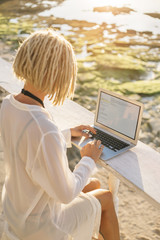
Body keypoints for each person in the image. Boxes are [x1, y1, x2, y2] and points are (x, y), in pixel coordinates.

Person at [0, 29, 120, 240]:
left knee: (94, 185)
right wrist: (88, 159)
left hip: (15, 210)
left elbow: (28, 142)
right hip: (37, 226)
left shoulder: (9, 104)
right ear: (57, 73)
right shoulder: (44, 129)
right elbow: (65, 195)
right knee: (106, 198)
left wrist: (64, 134)